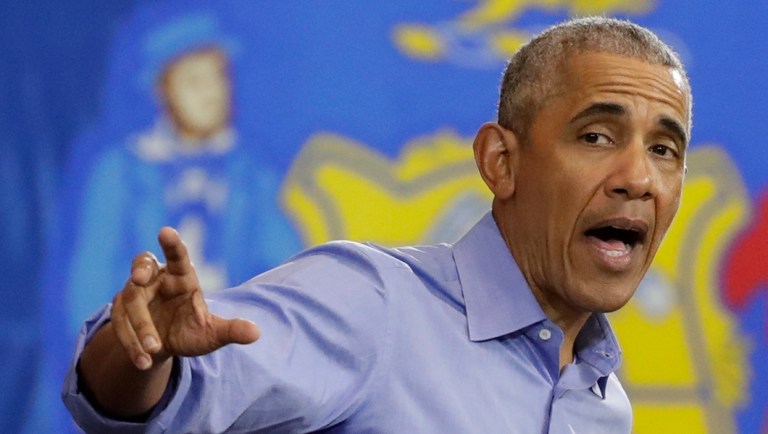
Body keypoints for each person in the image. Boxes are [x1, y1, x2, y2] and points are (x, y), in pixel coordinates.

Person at [62, 16, 690, 433]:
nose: (638, 177)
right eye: (596, 136)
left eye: (664, 149)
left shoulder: (604, 404)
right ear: (501, 162)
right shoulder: (373, 305)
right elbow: (164, 396)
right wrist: (141, 352)